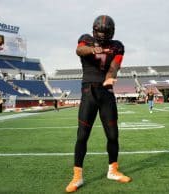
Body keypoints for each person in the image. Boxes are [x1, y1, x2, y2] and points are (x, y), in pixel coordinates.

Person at [65, 15, 131, 193]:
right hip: (89, 91)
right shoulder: (86, 39)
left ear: (111, 32)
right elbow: (80, 51)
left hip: (106, 91)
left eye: (105, 32)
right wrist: (93, 50)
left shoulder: (117, 46)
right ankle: (77, 176)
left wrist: (110, 79)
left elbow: (114, 66)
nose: (101, 35)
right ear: (94, 30)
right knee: (82, 135)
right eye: (99, 31)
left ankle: (113, 170)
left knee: (113, 135)